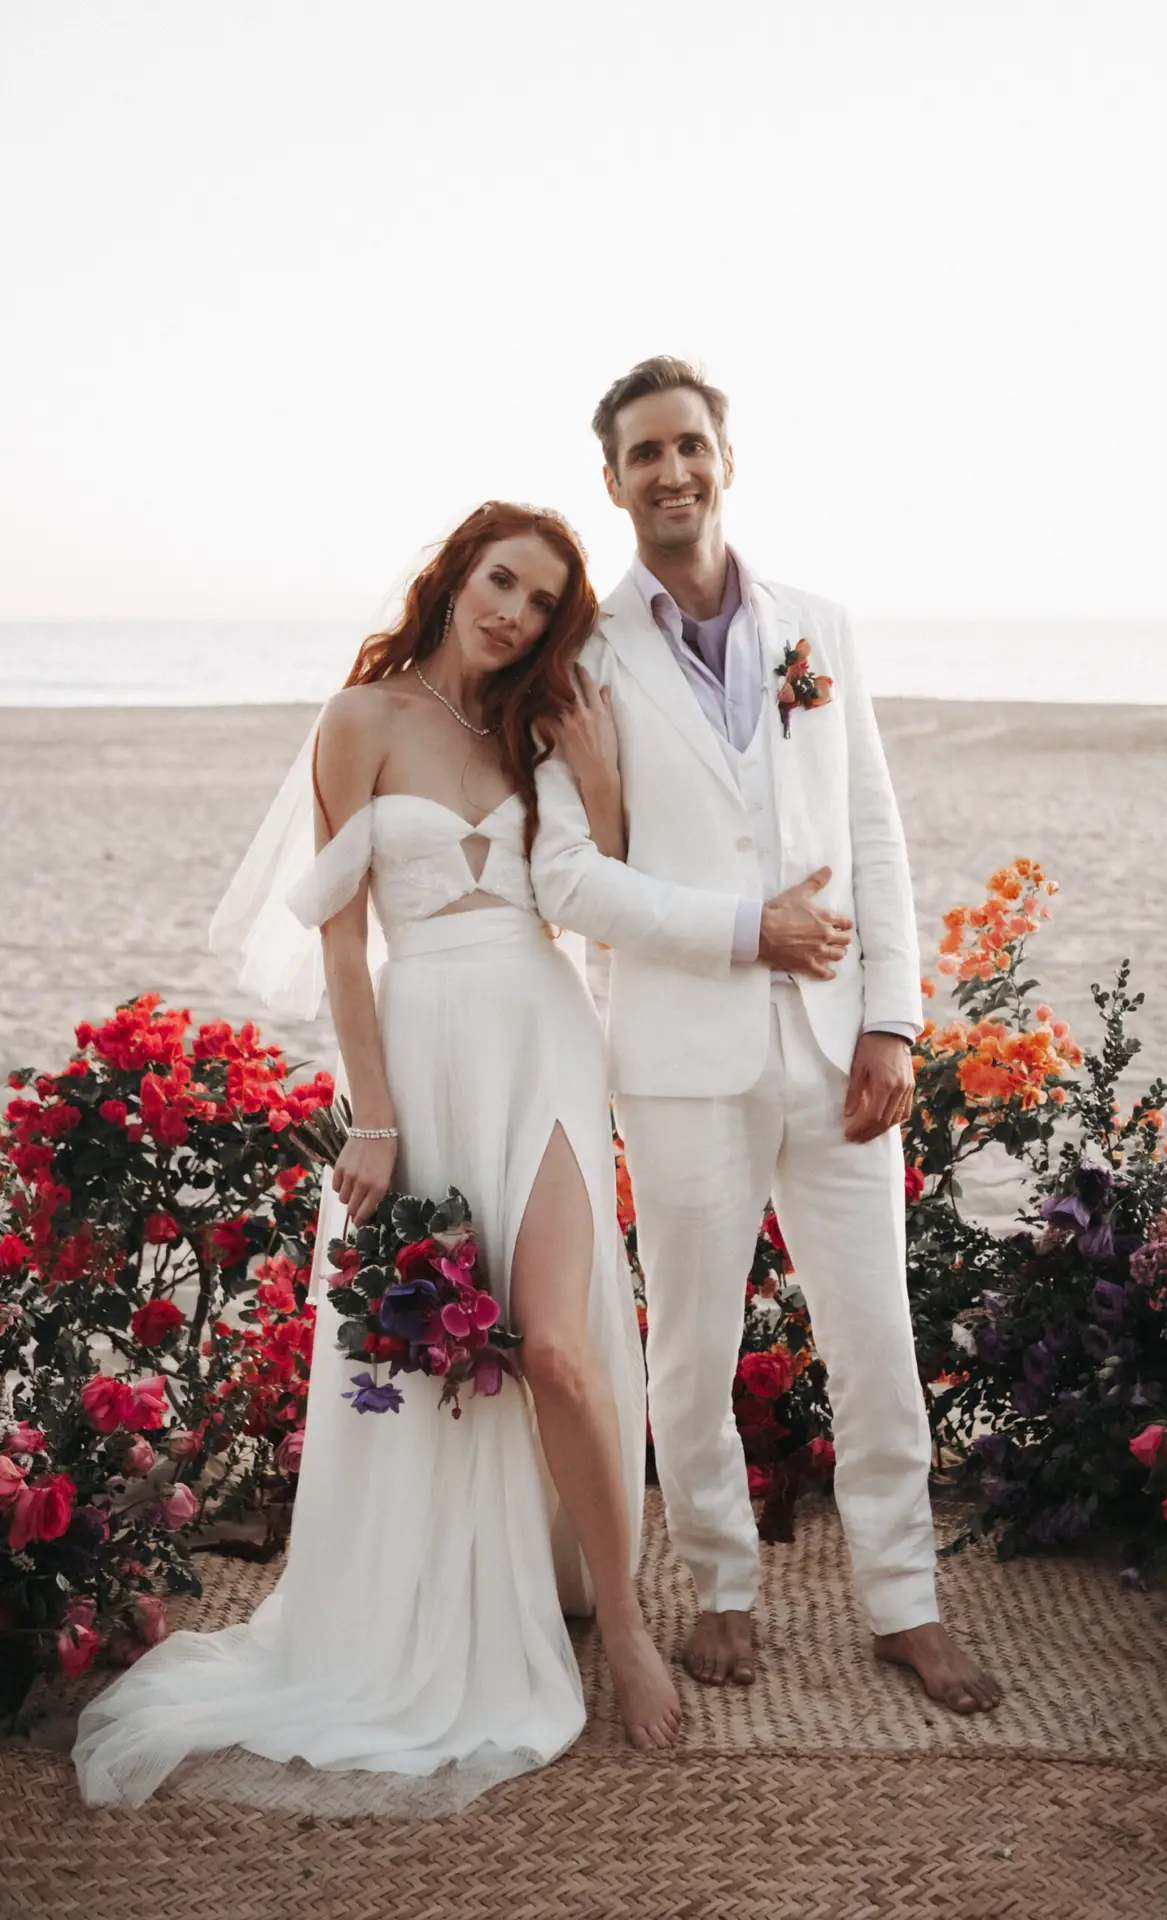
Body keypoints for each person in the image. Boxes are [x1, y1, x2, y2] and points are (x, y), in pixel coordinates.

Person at [73, 501, 680, 1816]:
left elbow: (604, 887)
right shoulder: (360, 721)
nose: (513, 611)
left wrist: (606, 773)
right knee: (448, 1359)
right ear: (455, 574)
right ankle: (463, 1601)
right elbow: (346, 944)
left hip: (546, 1037)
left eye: (539, 598)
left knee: (558, 1342)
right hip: (424, 1045)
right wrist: (378, 1116)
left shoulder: (539, 721)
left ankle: (622, 1625)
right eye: (499, 579)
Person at [532, 359, 1000, 1713]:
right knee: (688, 1345)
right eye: (642, 456)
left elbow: (875, 839)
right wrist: (751, 930)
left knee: (876, 1335)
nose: (670, 473)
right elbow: (571, 878)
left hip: (838, 1051)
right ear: (612, 481)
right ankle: (722, 1589)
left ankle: (905, 1601)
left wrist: (896, 1022)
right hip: (681, 1058)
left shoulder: (823, 629)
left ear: (726, 456)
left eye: (689, 446)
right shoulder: (583, 656)